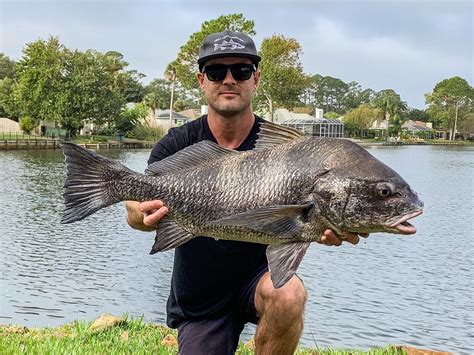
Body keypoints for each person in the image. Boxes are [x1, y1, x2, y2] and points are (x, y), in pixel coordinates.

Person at [126, 30, 367, 355]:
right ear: (201, 80)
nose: (228, 80)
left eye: (240, 71)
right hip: (200, 298)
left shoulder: (286, 146)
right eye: (216, 72)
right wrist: (140, 215)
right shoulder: (177, 143)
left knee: (289, 294)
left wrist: (327, 225)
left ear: (255, 78)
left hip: (260, 282)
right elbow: (136, 203)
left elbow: (308, 214)